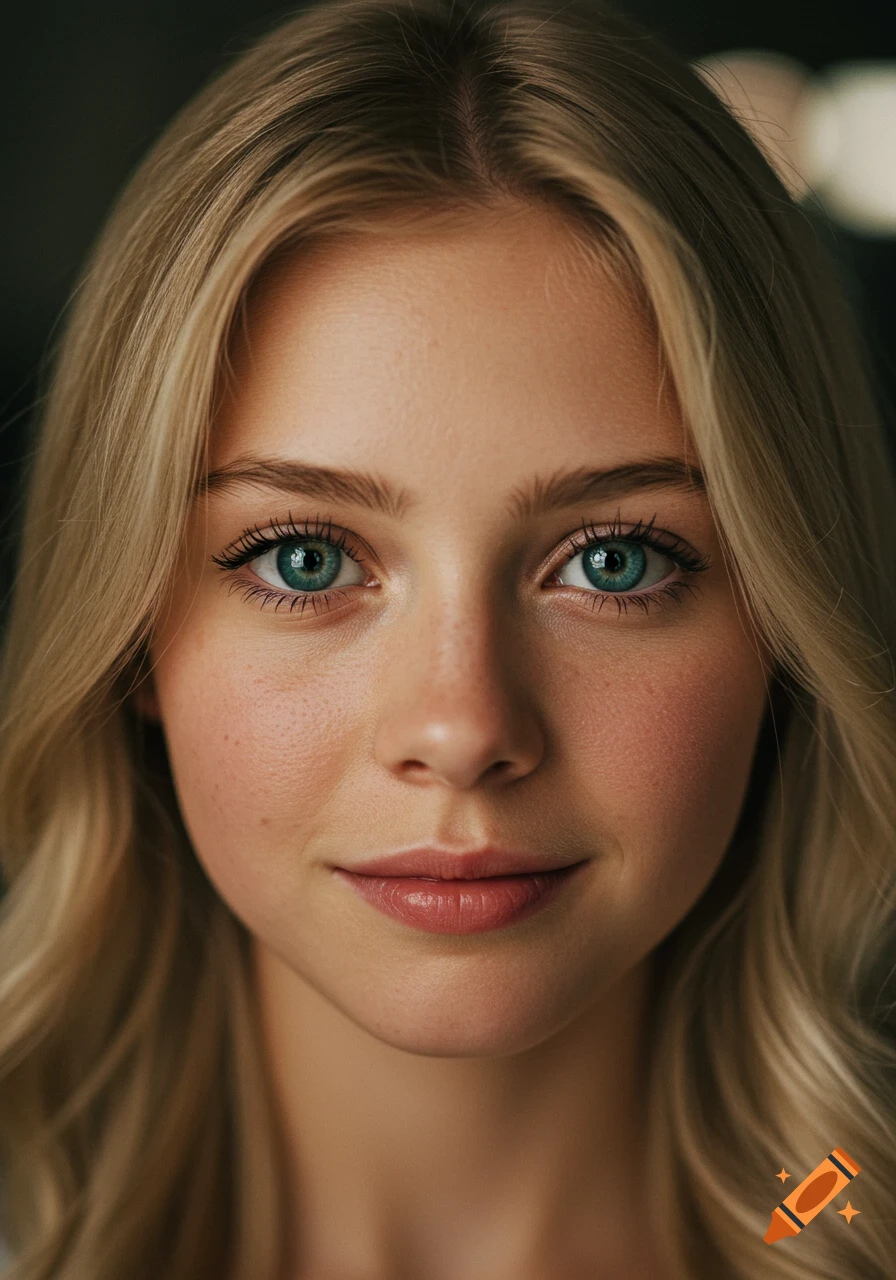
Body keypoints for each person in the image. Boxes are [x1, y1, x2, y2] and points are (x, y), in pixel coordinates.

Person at [1, 0, 894, 1276]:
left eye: (613, 560)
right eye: (303, 559)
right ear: (133, 631)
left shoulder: (843, 1203)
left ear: (784, 629)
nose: (462, 729)